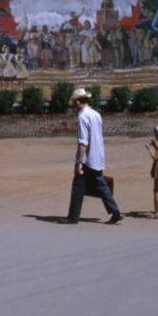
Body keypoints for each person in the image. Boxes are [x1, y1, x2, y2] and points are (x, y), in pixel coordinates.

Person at [62, 88, 124, 225]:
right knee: (101, 185)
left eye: (74, 102)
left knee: (78, 186)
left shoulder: (82, 117)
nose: (73, 104)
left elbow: (83, 142)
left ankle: (73, 217)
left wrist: (79, 162)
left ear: (78, 101)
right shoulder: (96, 114)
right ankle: (116, 212)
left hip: (88, 159)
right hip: (98, 156)